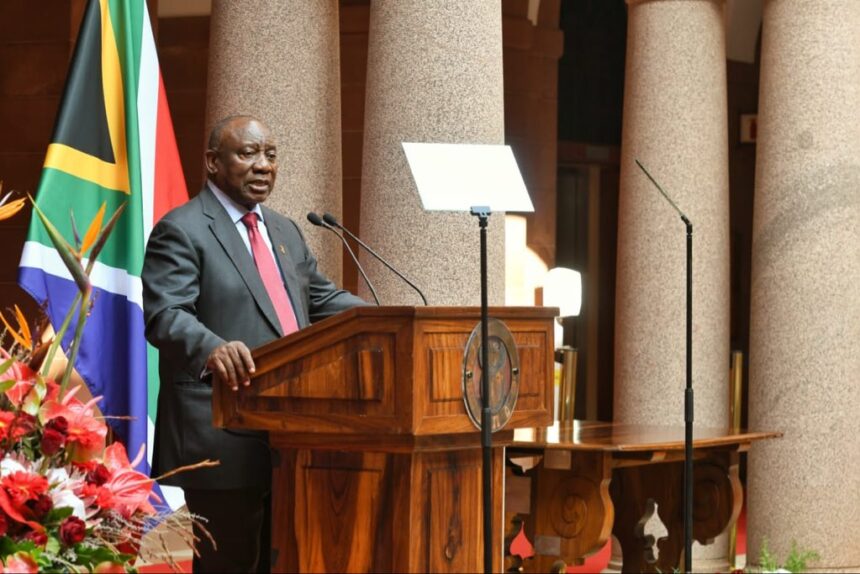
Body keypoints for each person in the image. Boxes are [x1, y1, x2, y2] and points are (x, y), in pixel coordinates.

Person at [142, 115, 366, 572]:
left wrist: (391, 319)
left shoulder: (283, 230)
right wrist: (212, 348)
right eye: (247, 153)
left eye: (270, 155)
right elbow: (165, 314)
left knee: (280, 559)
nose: (263, 165)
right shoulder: (183, 229)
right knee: (230, 563)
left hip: (290, 432)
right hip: (220, 428)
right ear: (212, 162)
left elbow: (322, 300)